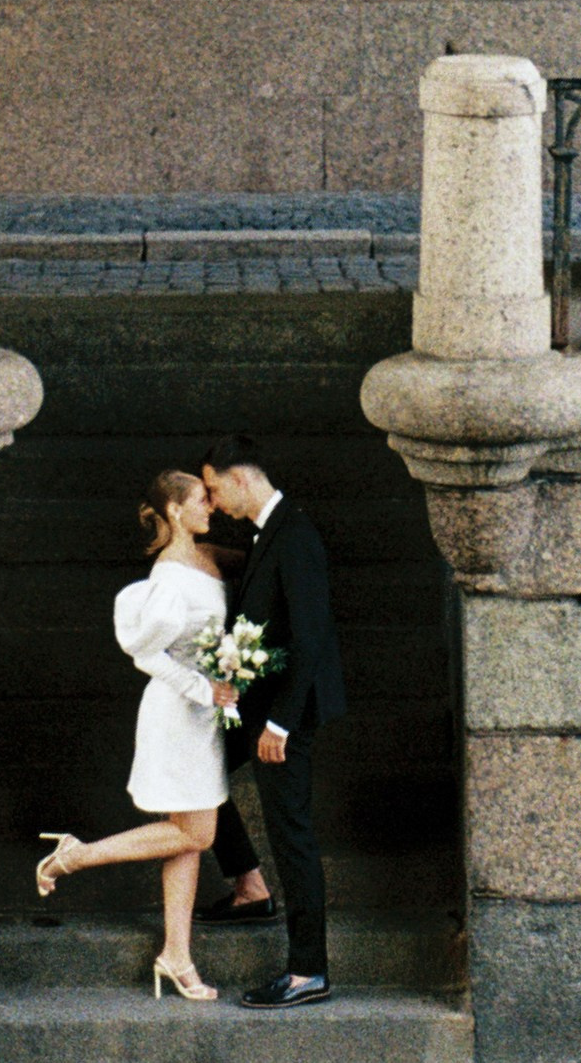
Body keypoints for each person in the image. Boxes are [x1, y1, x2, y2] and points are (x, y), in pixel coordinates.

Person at [32, 468, 239, 1001]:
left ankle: (176, 955)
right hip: (177, 712)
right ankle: (75, 856)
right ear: (174, 511)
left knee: (186, 834)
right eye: (200, 501)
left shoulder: (204, 555)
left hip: (201, 715)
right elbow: (145, 655)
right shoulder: (168, 575)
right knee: (198, 834)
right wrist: (203, 689)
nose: (209, 507)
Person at [199, 432, 348, 1010]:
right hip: (258, 708)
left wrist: (281, 726)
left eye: (214, 490)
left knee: (292, 836)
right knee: (195, 767)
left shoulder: (296, 534)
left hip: (287, 714)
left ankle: (308, 971)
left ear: (241, 479)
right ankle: (248, 887)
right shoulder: (270, 533)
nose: (213, 503)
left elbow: (312, 639)